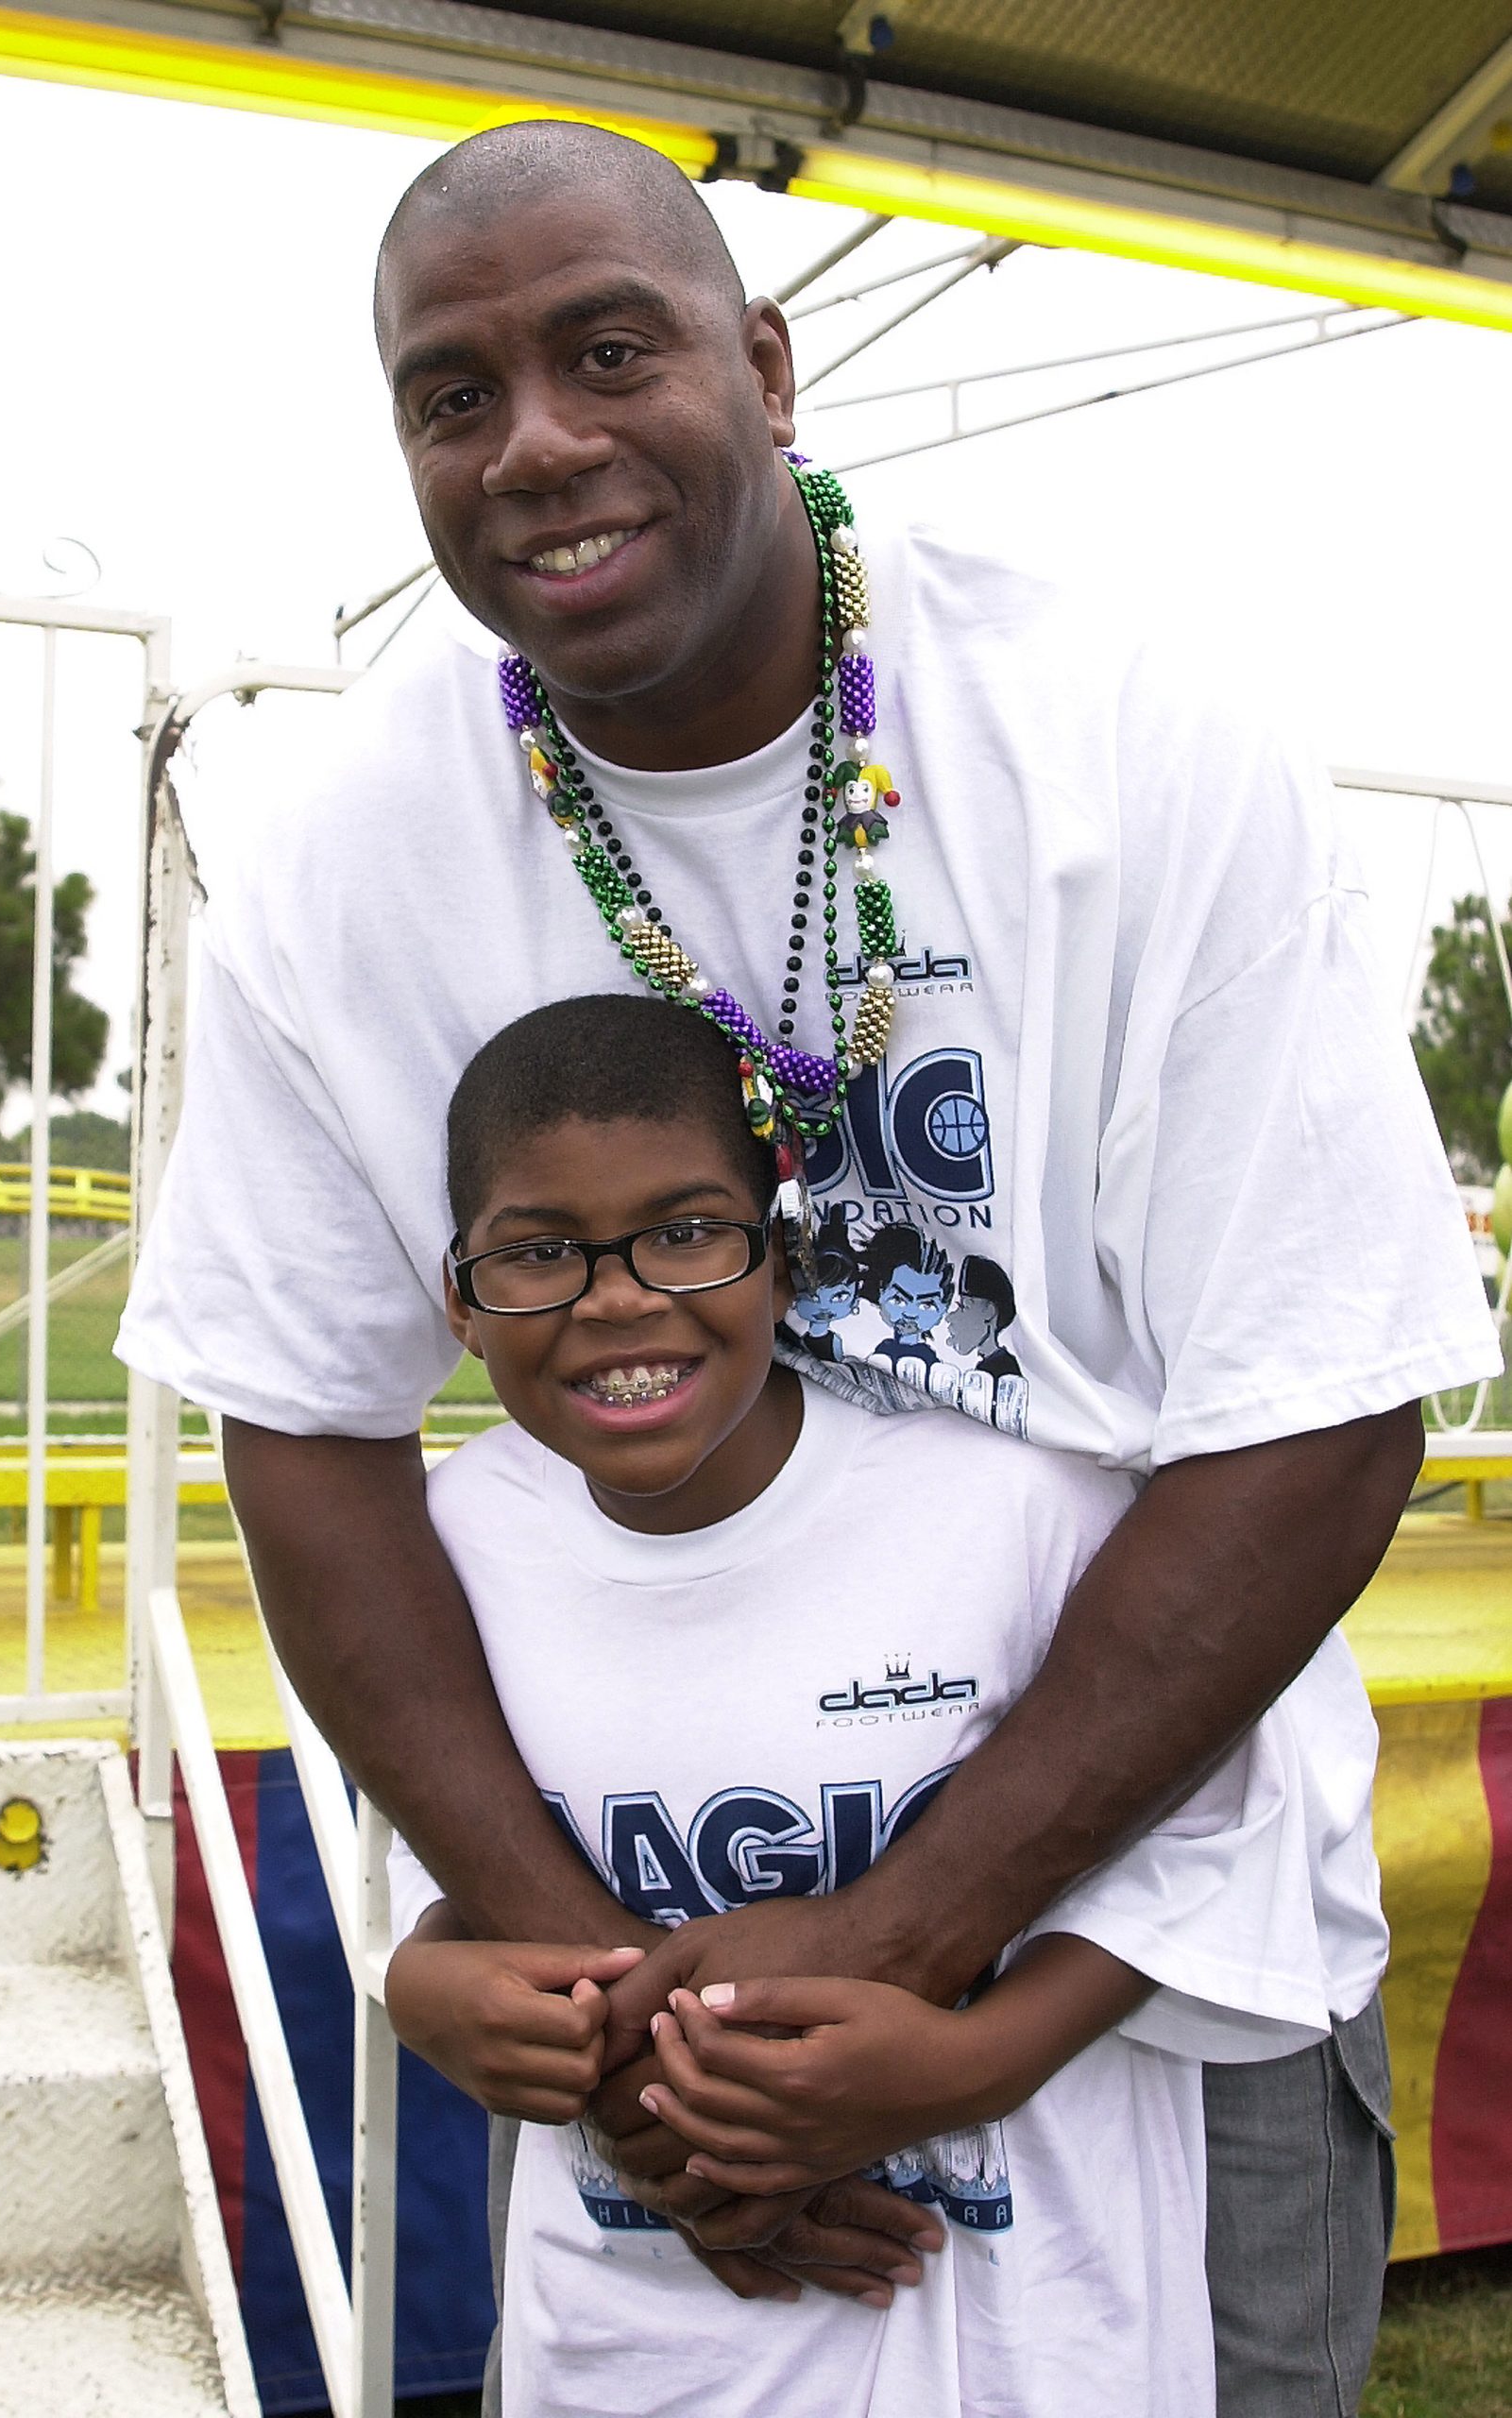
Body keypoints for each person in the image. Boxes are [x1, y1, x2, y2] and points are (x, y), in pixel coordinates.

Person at [115, 115, 1500, 2406]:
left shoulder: (1120, 742)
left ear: (765, 367)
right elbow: (311, 1428)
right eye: (453, 398)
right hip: (674, 1960)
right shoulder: (350, 859)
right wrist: (654, 2037)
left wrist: (907, 1947)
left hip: (1158, 1941)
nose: (538, 445)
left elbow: (1321, 1398)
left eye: (609, 350)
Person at [382, 992, 1388, 2417]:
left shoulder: (1010, 1508)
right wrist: (421, 1983)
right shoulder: (458, 1541)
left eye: (683, 1233)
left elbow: (1217, 1847)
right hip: (642, 2330)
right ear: (459, 1301)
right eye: (540, 1254)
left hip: (1009, 2316)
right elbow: (454, 1878)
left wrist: (978, 2059)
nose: (616, 1298)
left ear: (785, 1259)